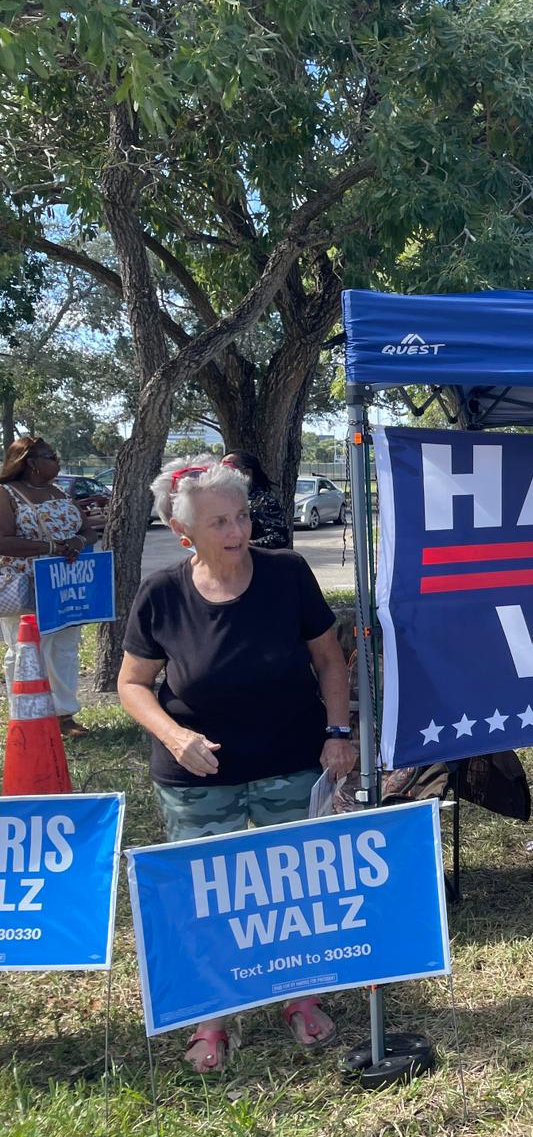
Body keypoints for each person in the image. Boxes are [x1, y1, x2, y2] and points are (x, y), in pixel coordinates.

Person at [117, 457, 357, 1072]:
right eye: (219, 521)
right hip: (197, 775)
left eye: (242, 515)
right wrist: (174, 737)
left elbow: (330, 661)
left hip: (288, 759)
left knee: (295, 885)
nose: (237, 531)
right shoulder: (162, 592)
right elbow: (133, 685)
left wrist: (337, 733)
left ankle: (300, 996)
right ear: (184, 532)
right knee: (207, 895)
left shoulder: (288, 574)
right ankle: (212, 1017)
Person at [0, 436, 101, 737]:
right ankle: (27, 716)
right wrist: (51, 546)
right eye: (51, 456)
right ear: (30, 462)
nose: (57, 461)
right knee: (26, 650)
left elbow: (87, 531)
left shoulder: (57, 491)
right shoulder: (6, 494)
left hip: (65, 585)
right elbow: (3, 541)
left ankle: (64, 715)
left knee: (65, 648)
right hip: (25, 585)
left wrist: (76, 543)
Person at [222, 450, 291, 550]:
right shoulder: (222, 501)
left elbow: (280, 537)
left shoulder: (264, 502)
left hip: (257, 562)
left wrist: (248, 544)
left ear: (247, 473)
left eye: (227, 469)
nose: (222, 475)